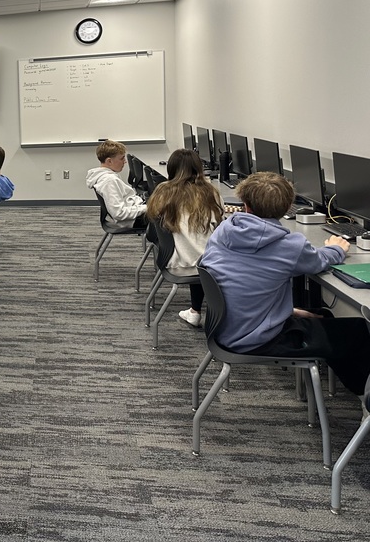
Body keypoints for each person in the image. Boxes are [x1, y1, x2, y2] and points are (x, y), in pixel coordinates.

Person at [201, 171, 370, 395]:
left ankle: (340, 390)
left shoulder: (224, 230)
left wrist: (289, 310)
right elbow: (319, 261)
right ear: (288, 206)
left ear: (246, 205)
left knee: (323, 315)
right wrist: (337, 247)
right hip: (257, 338)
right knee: (358, 329)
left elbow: (243, 283)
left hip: (224, 329)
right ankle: (364, 398)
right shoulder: (290, 245)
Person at [144, 149, 224, 327]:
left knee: (193, 246)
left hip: (174, 262)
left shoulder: (162, 191)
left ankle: (195, 312)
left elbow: (152, 232)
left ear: (171, 168)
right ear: (199, 168)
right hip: (206, 266)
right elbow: (219, 226)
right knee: (207, 248)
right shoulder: (211, 192)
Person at [85, 139, 147, 230]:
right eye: (122, 158)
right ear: (109, 161)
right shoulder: (109, 181)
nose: (125, 161)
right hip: (133, 220)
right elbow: (119, 213)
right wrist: (147, 208)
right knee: (170, 213)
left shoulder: (106, 176)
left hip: (134, 210)